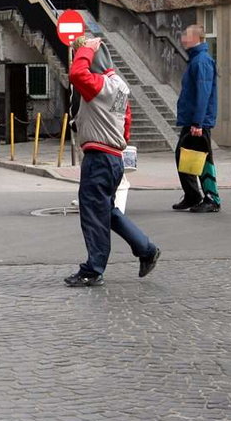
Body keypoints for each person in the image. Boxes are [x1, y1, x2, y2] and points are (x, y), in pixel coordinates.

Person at [65, 37, 160, 287]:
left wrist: (86, 48)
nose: (79, 61)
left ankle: (94, 269)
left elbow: (76, 74)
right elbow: (126, 122)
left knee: (93, 214)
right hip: (114, 156)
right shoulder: (119, 85)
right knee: (106, 211)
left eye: (83, 57)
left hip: (99, 157)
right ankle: (146, 249)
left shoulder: (99, 84)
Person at [173, 24, 220, 213]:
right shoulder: (195, 60)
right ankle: (193, 195)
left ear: (196, 38)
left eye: (186, 35)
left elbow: (204, 93)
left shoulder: (201, 61)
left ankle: (212, 199)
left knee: (204, 158)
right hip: (193, 120)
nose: (183, 38)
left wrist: (198, 123)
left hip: (198, 122)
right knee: (183, 156)